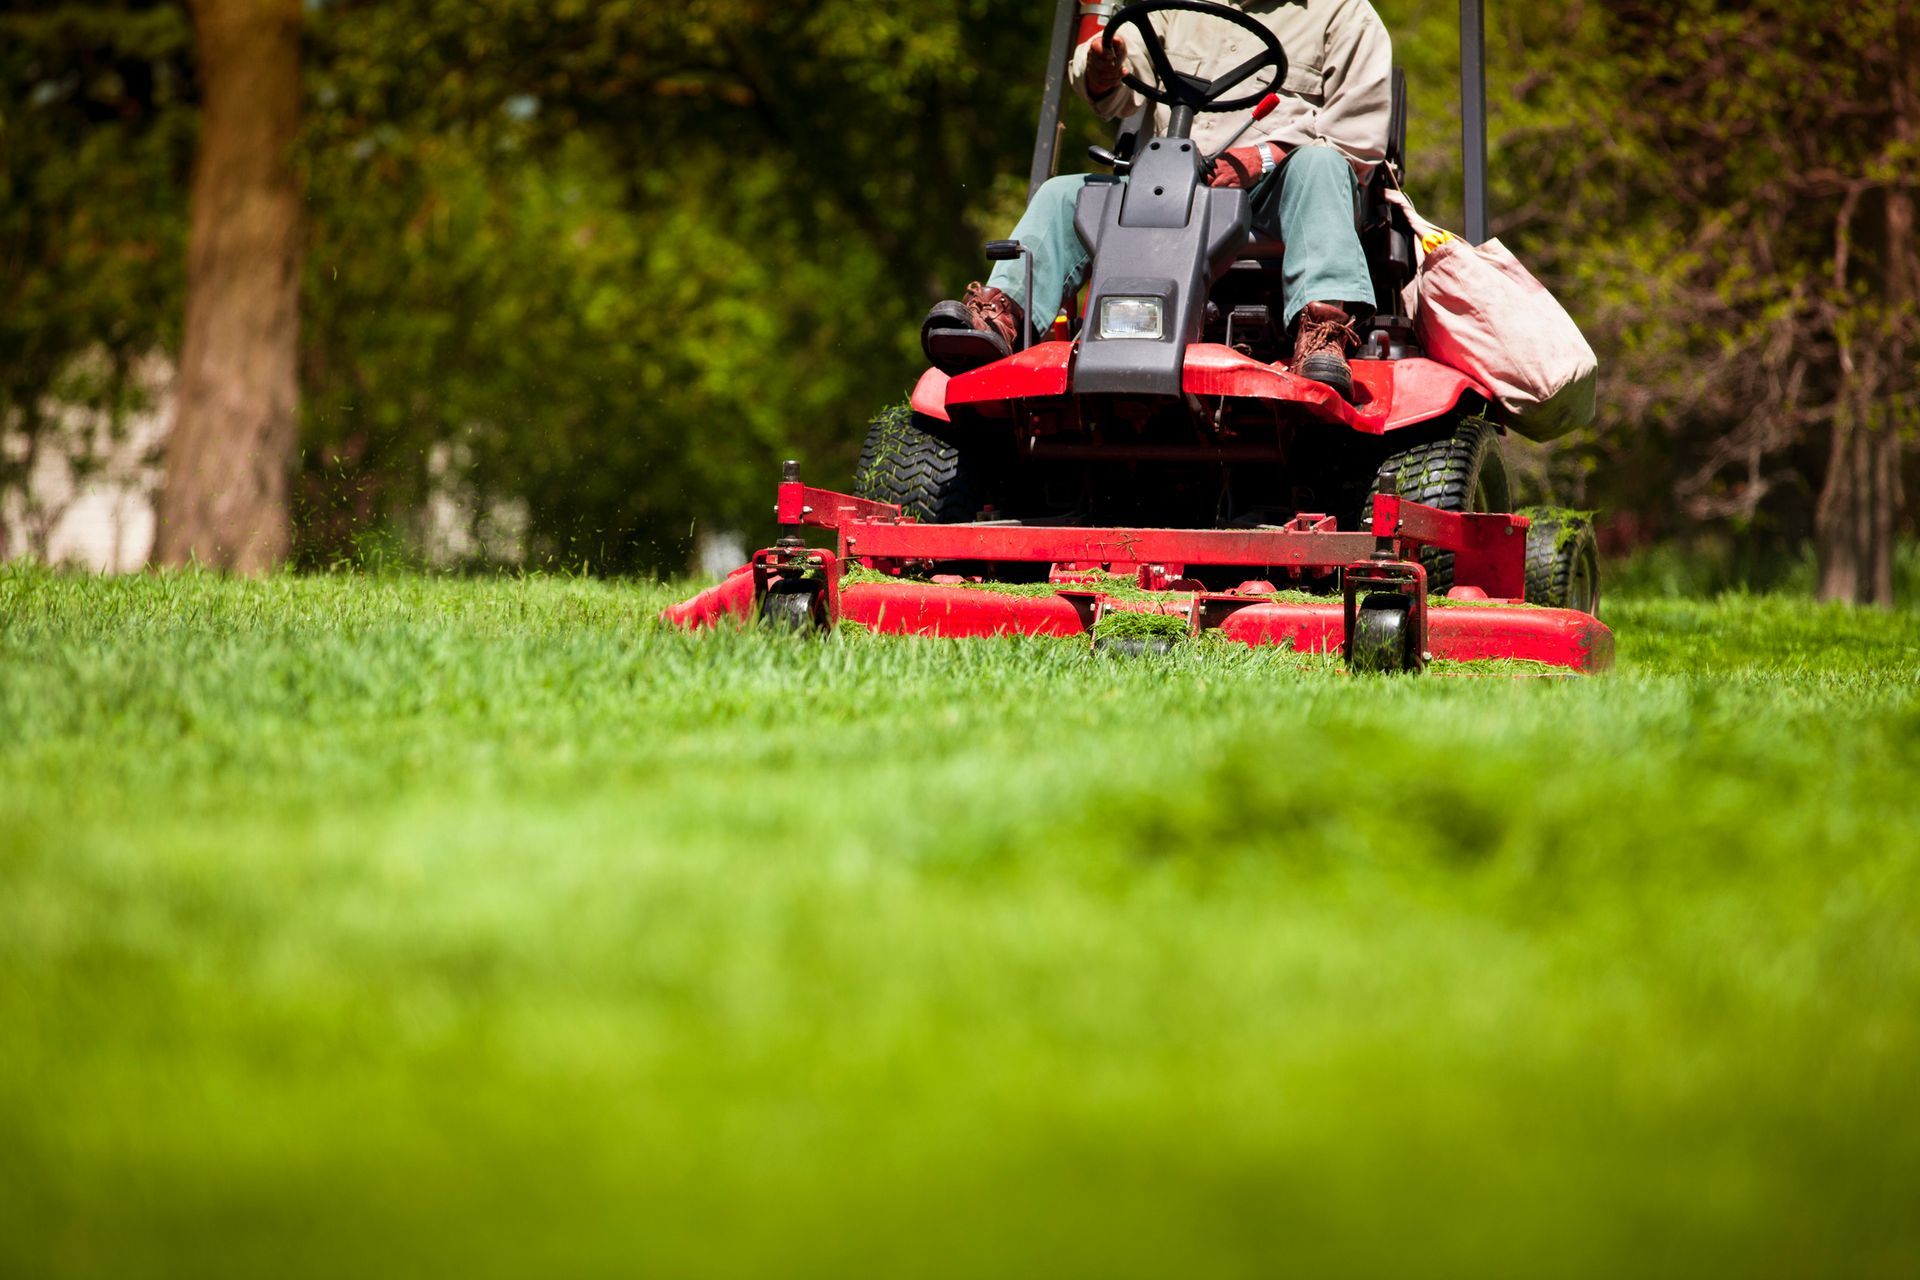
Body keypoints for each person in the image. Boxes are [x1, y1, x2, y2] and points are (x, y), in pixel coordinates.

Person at [921, 0, 1392, 400]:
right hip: (1170, 184)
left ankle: (1324, 333)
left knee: (1321, 165)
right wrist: (1106, 67)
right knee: (1065, 193)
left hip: (1277, 194)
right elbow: (1116, 87)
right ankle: (1001, 319)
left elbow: (1357, 142)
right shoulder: (1175, 6)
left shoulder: (1345, 14)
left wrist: (1265, 157)